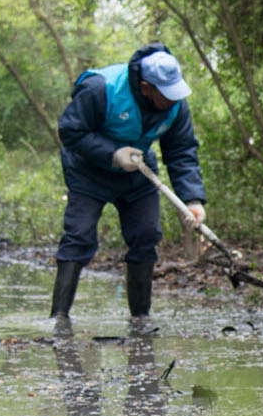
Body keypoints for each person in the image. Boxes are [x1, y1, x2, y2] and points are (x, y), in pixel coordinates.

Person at [50, 43, 207, 318]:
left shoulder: (175, 106)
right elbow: (70, 131)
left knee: (146, 234)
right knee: (79, 235)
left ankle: (140, 320)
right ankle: (59, 318)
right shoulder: (101, 89)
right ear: (146, 87)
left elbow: (182, 151)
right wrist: (112, 153)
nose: (174, 100)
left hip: (138, 172)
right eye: (167, 94)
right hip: (88, 171)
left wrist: (192, 199)